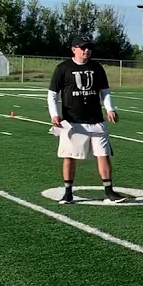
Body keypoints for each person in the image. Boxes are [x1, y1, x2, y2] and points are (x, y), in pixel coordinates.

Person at [47, 35, 127, 204]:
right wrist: (54, 114)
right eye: (83, 47)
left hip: (96, 120)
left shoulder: (97, 68)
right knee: (69, 156)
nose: (87, 50)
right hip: (73, 122)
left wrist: (110, 108)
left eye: (89, 47)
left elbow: (104, 91)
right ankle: (68, 192)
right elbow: (52, 94)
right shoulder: (63, 68)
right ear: (73, 49)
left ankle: (109, 191)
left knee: (103, 155)